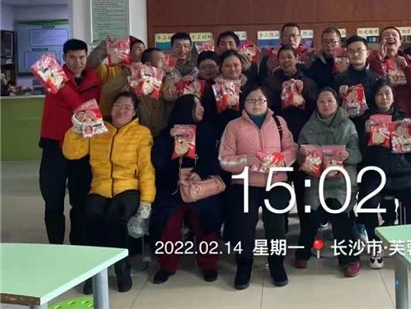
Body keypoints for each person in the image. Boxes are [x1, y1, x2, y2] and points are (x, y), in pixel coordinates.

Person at [62, 91, 155, 293]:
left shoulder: (141, 133)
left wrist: (146, 201)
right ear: (111, 108)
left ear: (134, 113)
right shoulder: (98, 129)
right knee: (91, 215)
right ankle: (95, 272)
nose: (121, 111)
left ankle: (122, 268)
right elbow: (71, 152)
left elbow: (146, 169)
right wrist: (77, 127)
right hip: (100, 186)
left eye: (127, 108)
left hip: (128, 187)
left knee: (116, 215)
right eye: (118, 105)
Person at [219, 86, 297, 290]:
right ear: (243, 103)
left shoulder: (279, 122)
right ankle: (244, 265)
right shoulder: (233, 126)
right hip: (245, 184)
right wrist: (247, 160)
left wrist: (280, 160)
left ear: (267, 102)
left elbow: (292, 150)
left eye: (260, 100)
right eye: (251, 100)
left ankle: (277, 264)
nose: (256, 104)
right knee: (244, 227)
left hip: (276, 183)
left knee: (276, 227)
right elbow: (224, 160)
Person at [150, 95, 224, 284]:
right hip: (172, 188)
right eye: (196, 105)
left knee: (206, 218)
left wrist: (199, 172)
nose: (202, 109)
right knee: (168, 222)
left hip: (199, 186)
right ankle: (167, 265)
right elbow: (157, 162)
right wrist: (170, 140)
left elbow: (213, 159)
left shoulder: (206, 130)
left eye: (201, 105)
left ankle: (208, 264)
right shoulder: (166, 133)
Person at [294, 88, 363, 277]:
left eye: (330, 101)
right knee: (312, 213)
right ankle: (303, 252)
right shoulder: (308, 128)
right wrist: (303, 155)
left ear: (337, 103)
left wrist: (348, 154)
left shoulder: (348, 125)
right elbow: (300, 158)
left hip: (342, 179)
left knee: (338, 209)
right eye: (322, 102)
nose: (326, 105)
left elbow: (357, 154)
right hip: (317, 179)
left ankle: (349, 259)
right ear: (316, 105)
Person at [39, 38, 101, 245]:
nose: (77, 62)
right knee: (53, 200)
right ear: (64, 58)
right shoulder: (51, 75)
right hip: (54, 145)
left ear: (86, 57)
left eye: (81, 57)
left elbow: (88, 111)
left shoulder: (95, 81)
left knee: (80, 201)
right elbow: (81, 106)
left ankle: (78, 246)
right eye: (72, 57)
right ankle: (55, 246)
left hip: (82, 148)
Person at [359, 79, 411, 269]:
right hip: (375, 174)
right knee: (368, 204)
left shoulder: (404, 117)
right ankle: (375, 246)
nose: (384, 98)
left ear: (393, 96)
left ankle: (410, 243)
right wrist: (365, 134)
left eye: (387, 93)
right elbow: (361, 153)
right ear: (374, 97)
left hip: (403, 172)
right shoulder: (367, 120)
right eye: (379, 94)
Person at [265, 45, 318, 234]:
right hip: (279, 143)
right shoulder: (271, 82)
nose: (286, 60)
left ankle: (307, 233)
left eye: (290, 57)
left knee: (304, 190)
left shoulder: (308, 81)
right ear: (277, 61)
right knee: (280, 188)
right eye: (283, 57)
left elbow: (317, 108)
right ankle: (281, 228)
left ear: (296, 59)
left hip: (304, 141)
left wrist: (304, 98)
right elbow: (266, 109)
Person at [333, 35, 381, 142]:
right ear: (347, 54)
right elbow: (331, 106)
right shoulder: (338, 79)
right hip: (345, 129)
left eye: (359, 50)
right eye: (351, 51)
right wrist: (339, 96)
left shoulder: (377, 78)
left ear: (367, 53)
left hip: (371, 128)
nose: (355, 54)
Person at [368, 26, 411, 120]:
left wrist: (406, 68)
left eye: (394, 35)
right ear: (380, 42)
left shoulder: (409, 61)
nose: (390, 37)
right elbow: (374, 84)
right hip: (382, 112)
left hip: (406, 111)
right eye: (386, 35)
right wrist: (380, 60)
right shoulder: (373, 60)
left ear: (400, 42)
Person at [87, 36, 145, 114]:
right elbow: (91, 64)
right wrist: (105, 46)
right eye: (138, 49)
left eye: (144, 49)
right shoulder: (109, 69)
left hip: (134, 118)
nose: (143, 52)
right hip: (108, 116)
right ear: (128, 52)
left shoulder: (147, 73)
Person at [211, 49, 249, 143]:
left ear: (241, 66)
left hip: (245, 134)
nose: (232, 69)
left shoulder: (249, 86)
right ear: (221, 68)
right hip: (221, 134)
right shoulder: (213, 88)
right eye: (227, 66)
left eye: (236, 65)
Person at [136, 48, 171, 137]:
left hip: (163, 137)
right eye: (161, 60)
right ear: (148, 65)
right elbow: (108, 91)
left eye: (165, 60)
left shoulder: (170, 84)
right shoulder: (136, 84)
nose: (165, 64)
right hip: (139, 136)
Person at [162, 32, 198, 102]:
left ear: (190, 48)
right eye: (178, 46)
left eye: (186, 46)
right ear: (172, 48)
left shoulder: (197, 70)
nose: (182, 50)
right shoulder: (164, 70)